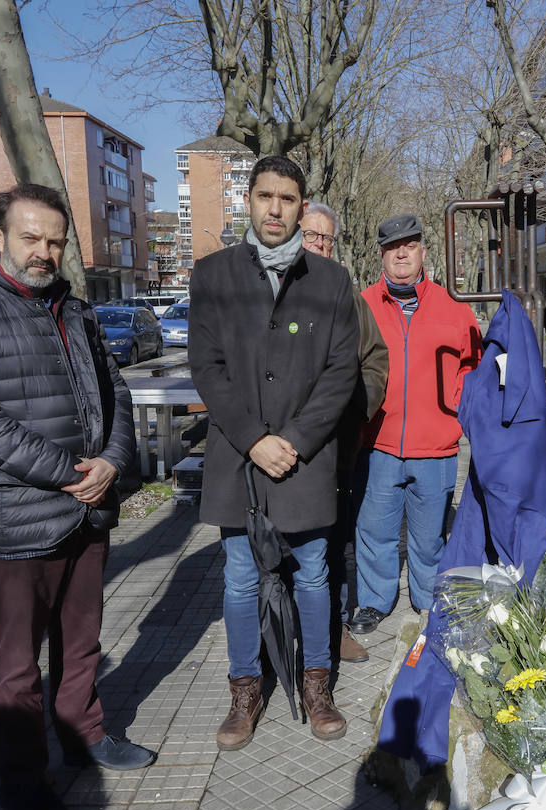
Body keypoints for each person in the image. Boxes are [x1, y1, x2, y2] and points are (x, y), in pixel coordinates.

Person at [0, 183, 154, 810]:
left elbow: (118, 394)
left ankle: (84, 734)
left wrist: (111, 460)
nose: (44, 251)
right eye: (31, 237)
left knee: (81, 643)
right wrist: (70, 474)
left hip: (87, 510)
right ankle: (21, 778)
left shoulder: (75, 311)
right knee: (16, 664)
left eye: (55, 240)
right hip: (16, 521)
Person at [189, 157, 361, 750]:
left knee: (315, 574)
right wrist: (255, 440)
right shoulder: (213, 276)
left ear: (302, 204)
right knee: (239, 580)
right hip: (239, 457)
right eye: (265, 196)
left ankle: (317, 686)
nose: (275, 209)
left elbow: (342, 374)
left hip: (306, 460)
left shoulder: (333, 282)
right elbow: (206, 368)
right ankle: (246, 691)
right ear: (249, 200)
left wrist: (294, 440)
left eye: (287, 199)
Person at [349, 214, 482, 636]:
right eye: (392, 247)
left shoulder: (454, 307)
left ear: (424, 250)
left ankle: (428, 601)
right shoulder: (361, 304)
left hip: (436, 447)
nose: (401, 253)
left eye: (409, 244)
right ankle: (374, 601)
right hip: (377, 445)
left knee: (429, 540)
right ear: (382, 256)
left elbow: (472, 371)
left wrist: (460, 418)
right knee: (374, 532)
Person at [301, 201, 388, 663]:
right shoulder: (272, 289)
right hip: (283, 449)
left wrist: (358, 406)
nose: (318, 245)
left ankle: (335, 630)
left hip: (338, 448)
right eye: (311, 236)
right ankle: (287, 632)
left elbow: (375, 357)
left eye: (326, 238)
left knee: (339, 542)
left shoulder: (347, 295)